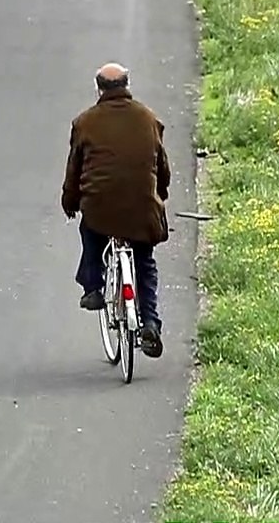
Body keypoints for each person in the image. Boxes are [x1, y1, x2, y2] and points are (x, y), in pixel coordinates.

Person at [61, 62, 171, 358]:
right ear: (127, 85)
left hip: (100, 208)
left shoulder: (84, 123)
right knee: (144, 262)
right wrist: (160, 194)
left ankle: (93, 287)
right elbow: (161, 165)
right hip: (142, 208)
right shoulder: (149, 119)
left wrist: (70, 202)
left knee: (91, 232)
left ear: (98, 89)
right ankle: (149, 321)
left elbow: (75, 170)